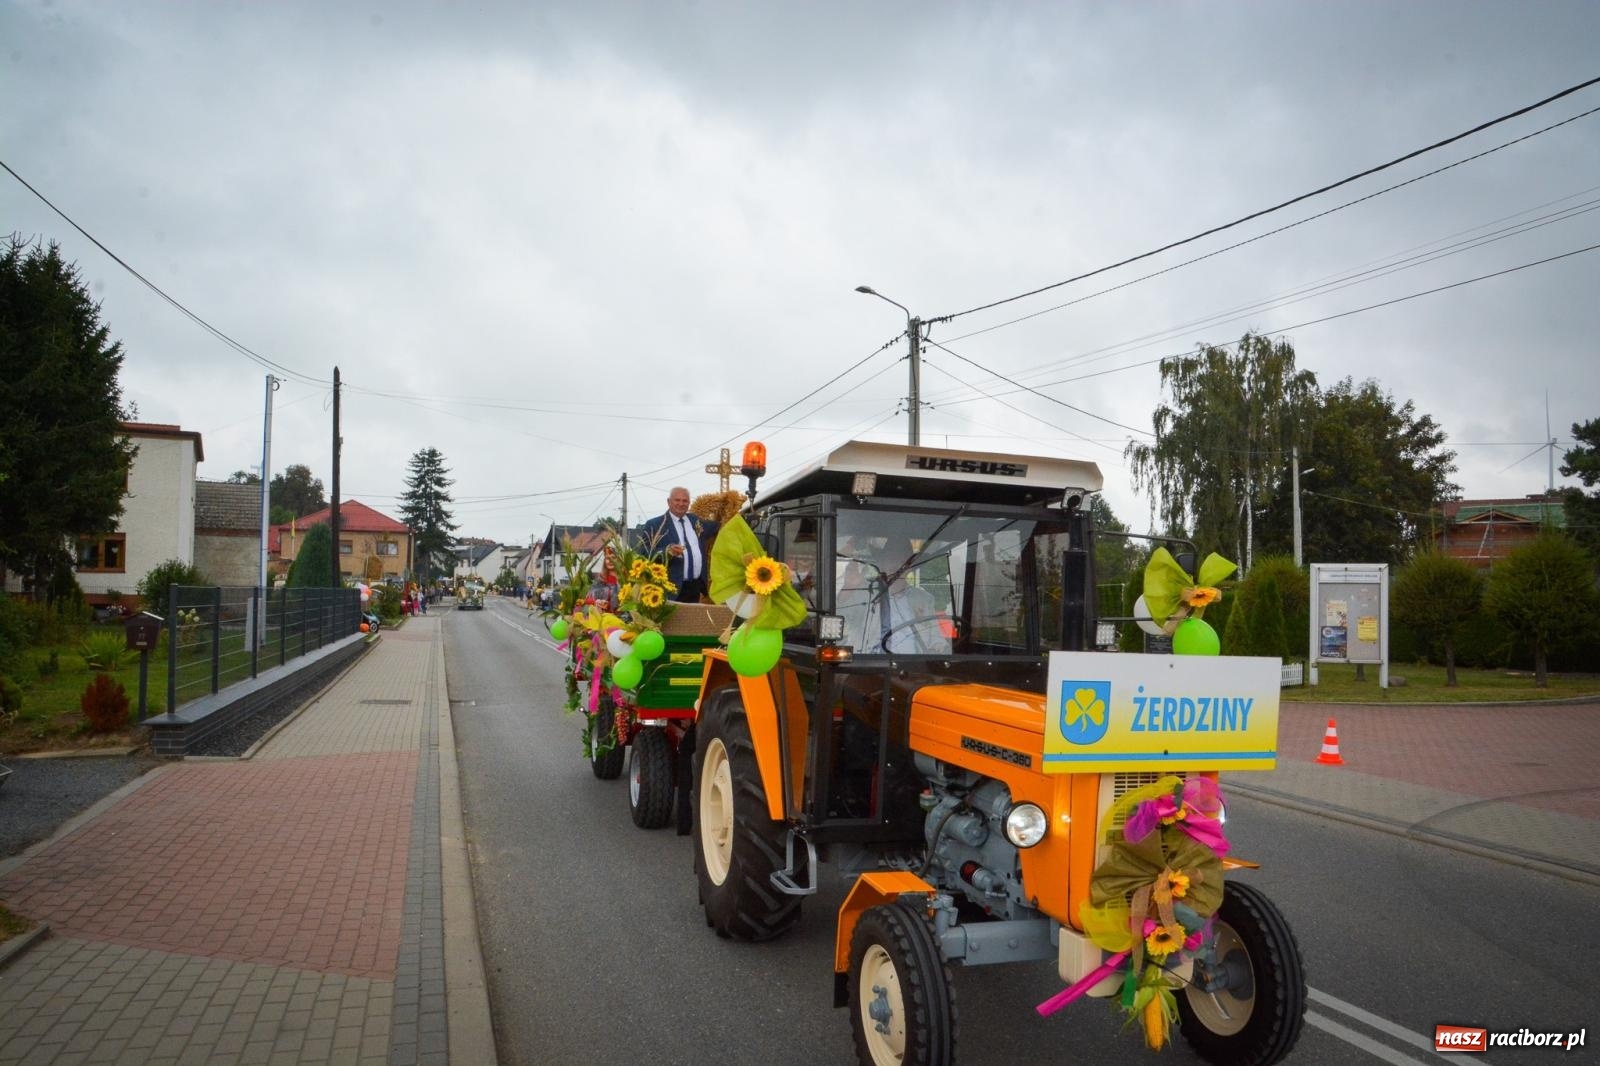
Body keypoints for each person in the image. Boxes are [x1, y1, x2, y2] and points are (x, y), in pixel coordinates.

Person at [639, 486, 719, 603]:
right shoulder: (655, 524)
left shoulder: (694, 520)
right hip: (671, 589)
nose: (681, 504)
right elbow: (643, 554)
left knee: (693, 615)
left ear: (689, 503)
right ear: (669, 502)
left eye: (685, 501)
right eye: (677, 500)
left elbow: (716, 527)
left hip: (695, 587)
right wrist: (667, 551)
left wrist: (736, 514)